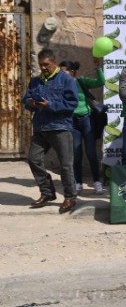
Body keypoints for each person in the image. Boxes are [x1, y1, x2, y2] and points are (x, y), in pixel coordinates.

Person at [23, 48, 79, 213]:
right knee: (33, 159)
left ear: (54, 62)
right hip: (41, 127)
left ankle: (70, 197)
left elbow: (71, 104)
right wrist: (31, 103)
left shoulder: (66, 79)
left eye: (46, 65)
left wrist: (50, 105)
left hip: (60, 127)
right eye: (41, 65)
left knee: (66, 165)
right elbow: (26, 99)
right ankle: (47, 192)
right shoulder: (35, 81)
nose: (43, 68)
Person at [58, 59, 105, 195]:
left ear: (72, 71)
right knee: (76, 153)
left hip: (87, 119)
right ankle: (78, 182)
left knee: (91, 152)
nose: (61, 74)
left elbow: (101, 82)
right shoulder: (60, 84)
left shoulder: (81, 81)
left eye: (63, 71)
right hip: (72, 122)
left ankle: (97, 182)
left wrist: (98, 68)